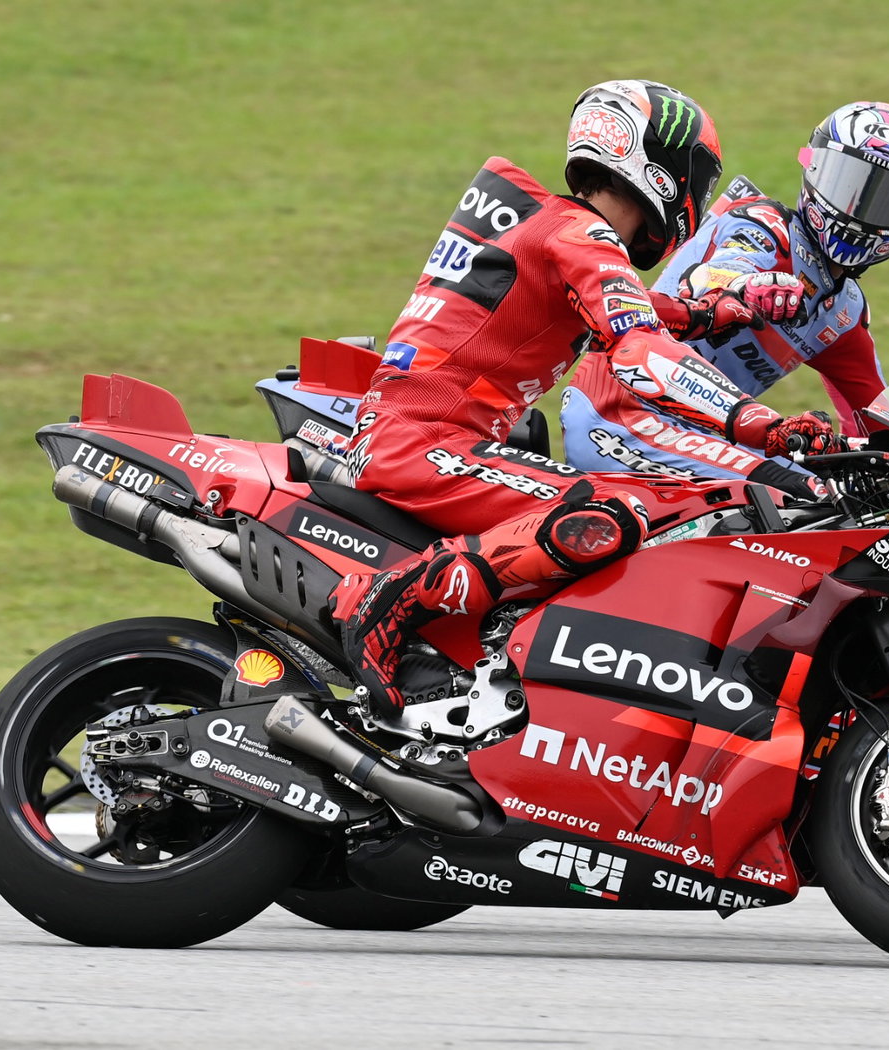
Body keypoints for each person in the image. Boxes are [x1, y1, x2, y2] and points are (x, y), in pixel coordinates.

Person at [330, 79, 842, 718]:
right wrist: (763, 427)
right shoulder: (582, 233)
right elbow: (639, 351)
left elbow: (628, 311)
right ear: (658, 163)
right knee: (620, 507)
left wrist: (721, 309)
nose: (699, 197)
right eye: (698, 178)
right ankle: (391, 598)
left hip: (421, 436)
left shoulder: (558, 227)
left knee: (652, 500)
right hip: (425, 444)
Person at [559, 101, 889, 479]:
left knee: (842, 493)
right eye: (849, 185)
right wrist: (749, 287)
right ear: (815, 170)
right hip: (618, 413)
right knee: (805, 494)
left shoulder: (844, 309)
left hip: (706, 436)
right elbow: (715, 275)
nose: (862, 212)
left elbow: (882, 424)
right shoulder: (764, 226)